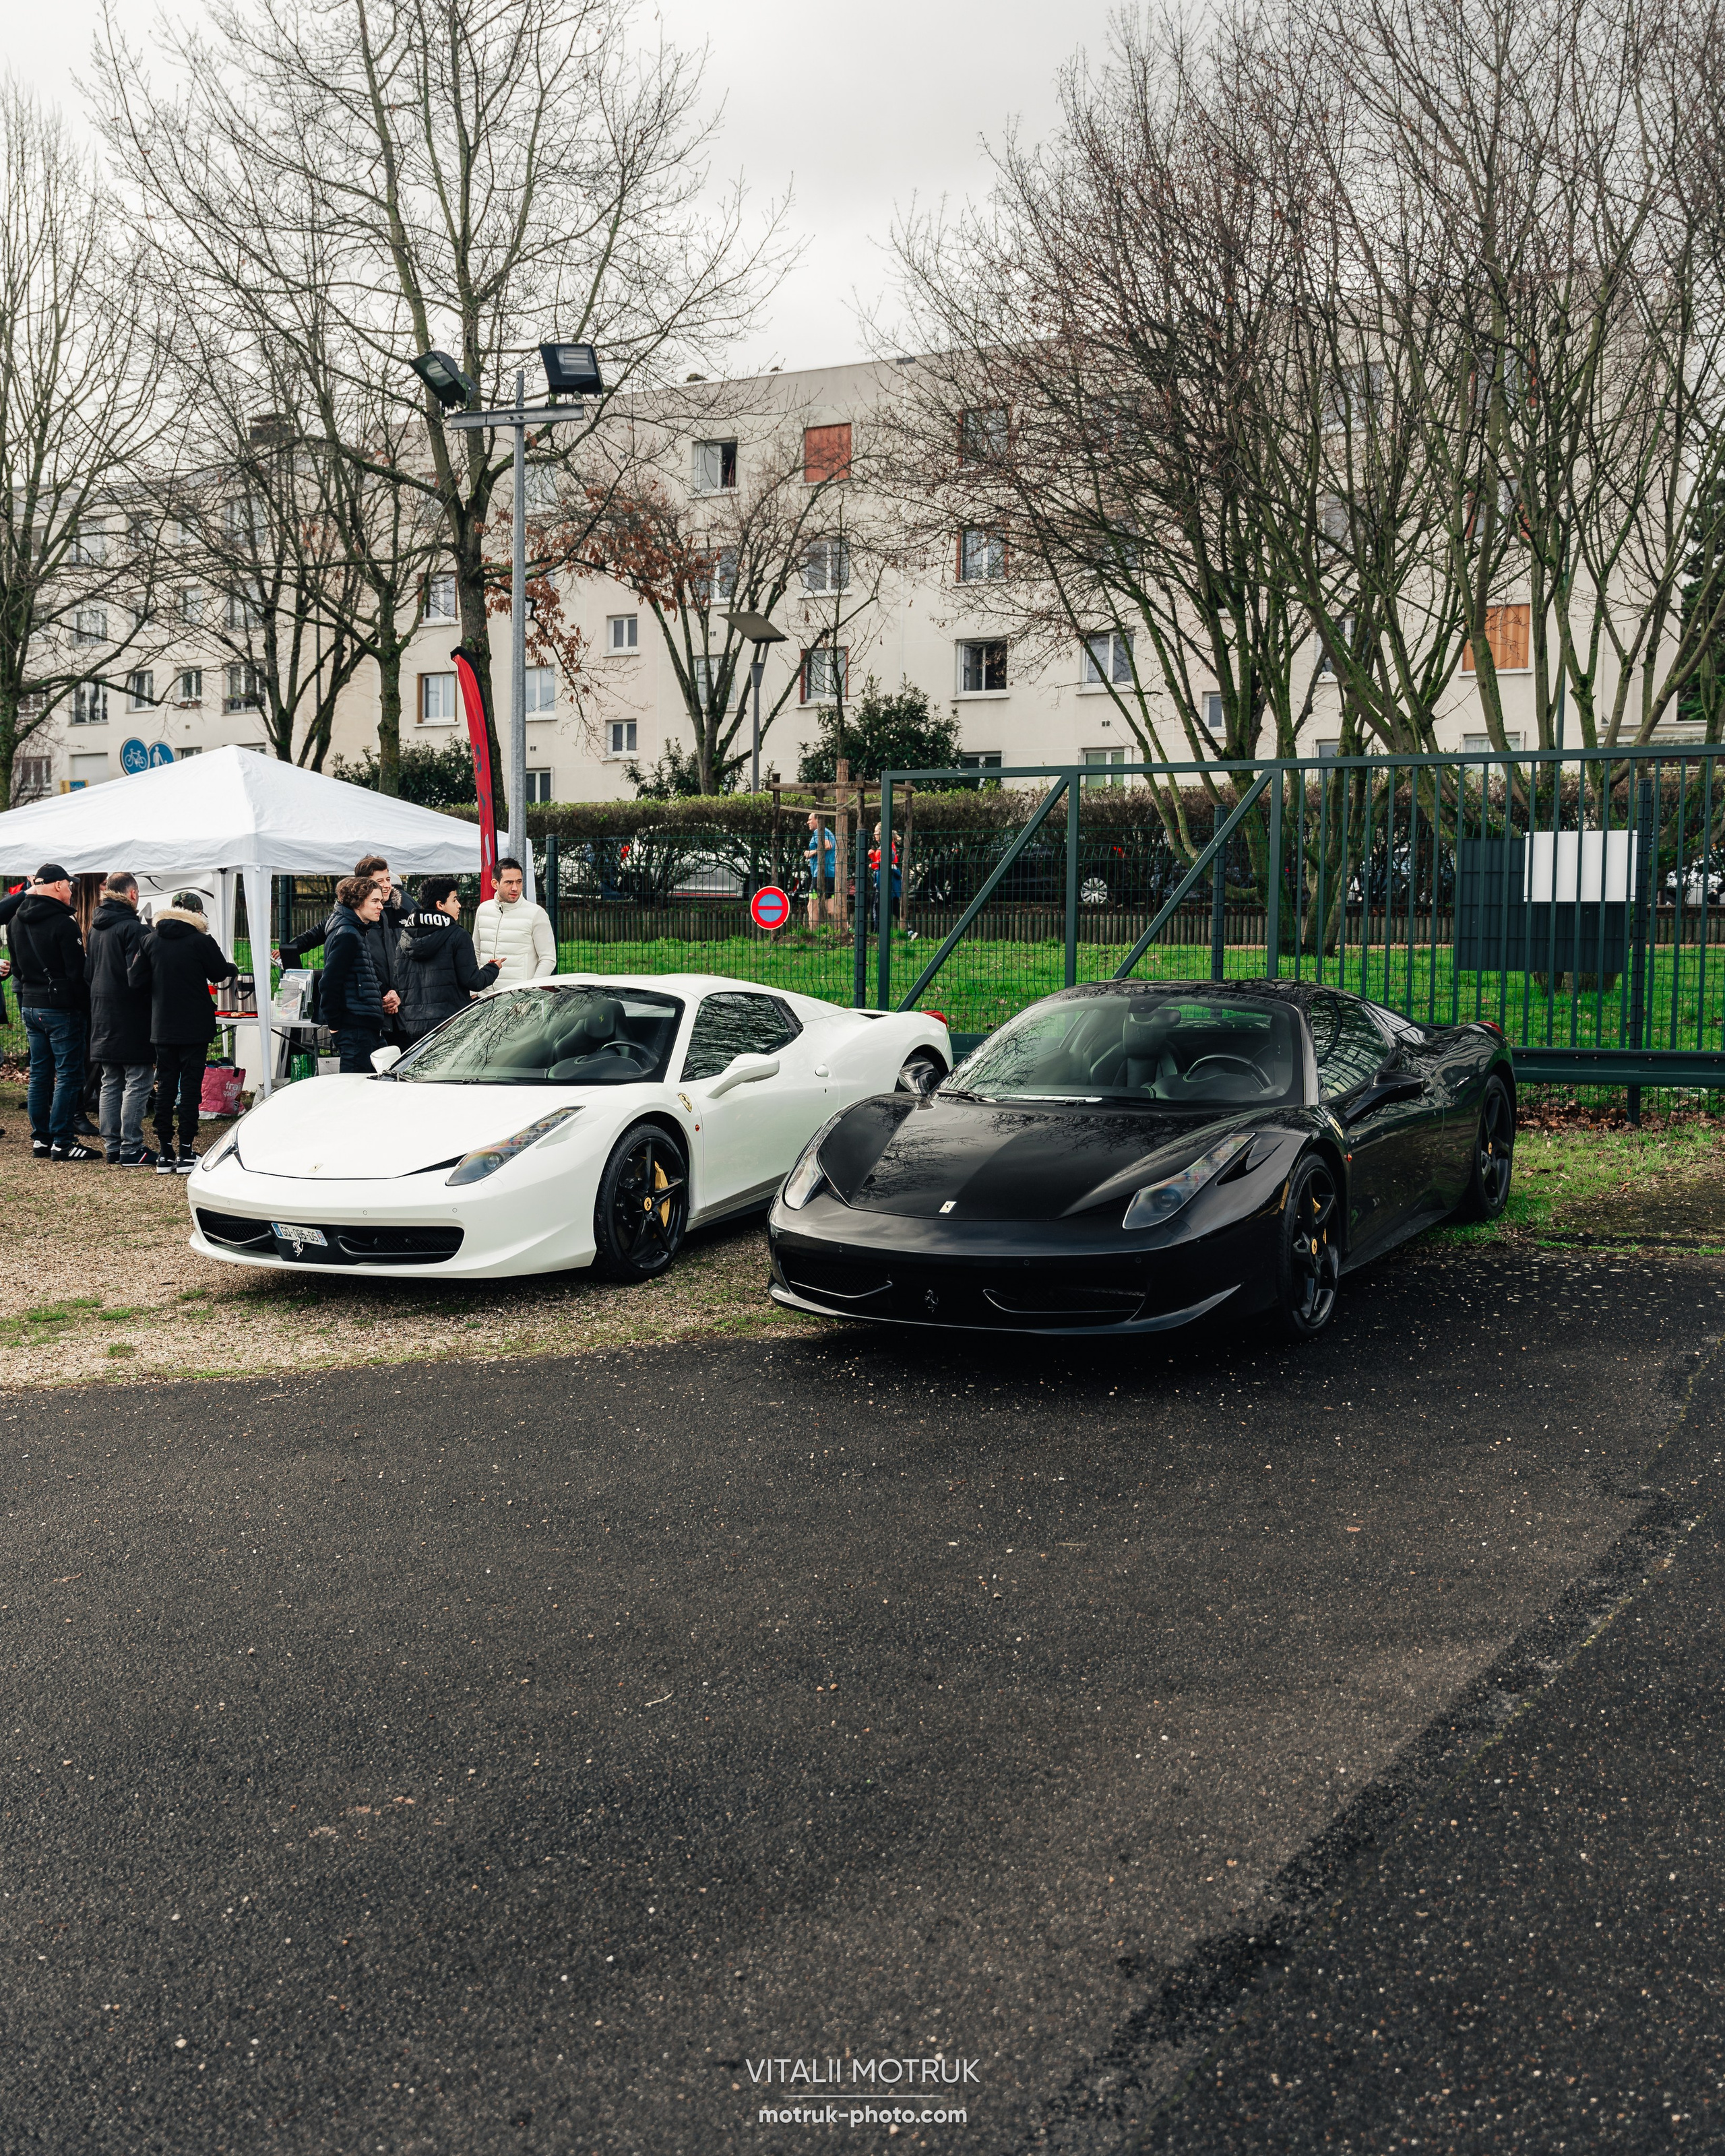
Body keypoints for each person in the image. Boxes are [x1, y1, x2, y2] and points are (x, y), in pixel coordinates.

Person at [130, 889, 239, 1173]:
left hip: (162, 1024)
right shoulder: (200, 941)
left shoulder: (149, 940)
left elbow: (135, 980)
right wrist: (231, 966)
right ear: (197, 914)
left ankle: (165, 1152)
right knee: (190, 1089)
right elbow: (218, 973)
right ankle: (186, 1152)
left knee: (165, 1086)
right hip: (194, 1025)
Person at [8, 863, 100, 1161]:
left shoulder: (15, 921)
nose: (72, 890)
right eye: (70, 885)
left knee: (39, 1074)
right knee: (69, 1074)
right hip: (61, 1009)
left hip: (31, 1005)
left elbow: (18, 970)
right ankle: (62, 1140)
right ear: (58, 885)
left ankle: (41, 1139)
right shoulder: (64, 923)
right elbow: (77, 972)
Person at [278, 852, 406, 1037]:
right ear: (364, 885)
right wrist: (289, 948)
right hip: (370, 1005)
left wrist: (398, 993)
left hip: (397, 1005)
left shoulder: (403, 907)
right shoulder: (348, 925)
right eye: (380, 881)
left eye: (388, 879)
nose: (386, 885)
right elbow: (316, 938)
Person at [85, 873, 158, 1167]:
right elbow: (138, 977)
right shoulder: (133, 929)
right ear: (132, 895)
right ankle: (131, 1147)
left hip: (101, 1013)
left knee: (110, 1081)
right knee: (139, 1080)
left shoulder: (95, 928)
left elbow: (88, 972)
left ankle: (113, 1145)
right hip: (131, 1014)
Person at [396, 877, 501, 1044]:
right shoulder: (458, 935)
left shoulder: (404, 939)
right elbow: (473, 981)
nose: (459, 905)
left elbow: (400, 983)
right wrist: (493, 969)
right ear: (440, 905)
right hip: (451, 1026)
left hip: (414, 1028)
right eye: (455, 899)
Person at [321, 875, 390, 1073]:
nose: (381, 906)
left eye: (381, 901)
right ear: (358, 902)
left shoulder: (355, 931)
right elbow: (329, 983)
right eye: (375, 901)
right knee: (355, 1090)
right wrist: (335, 1026)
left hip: (364, 1026)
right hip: (355, 1028)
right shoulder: (348, 935)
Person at [472, 858, 557, 987]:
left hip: (519, 1000)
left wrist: (531, 992)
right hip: (485, 997)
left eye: (519, 882)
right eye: (509, 882)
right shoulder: (483, 909)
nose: (515, 888)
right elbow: (476, 952)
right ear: (495, 884)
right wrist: (474, 991)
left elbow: (548, 959)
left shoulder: (536, 913)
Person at [805, 813, 837, 930]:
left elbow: (828, 846)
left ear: (818, 820)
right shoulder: (828, 832)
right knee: (830, 907)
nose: (808, 822)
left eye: (810, 820)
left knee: (812, 905)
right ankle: (844, 929)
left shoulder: (819, 831)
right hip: (830, 874)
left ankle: (813, 934)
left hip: (821, 874)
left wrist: (811, 852)